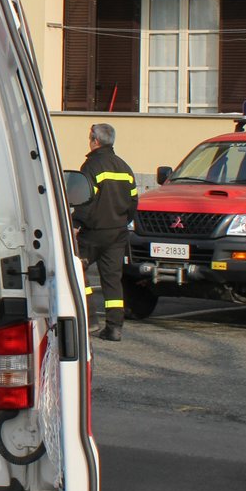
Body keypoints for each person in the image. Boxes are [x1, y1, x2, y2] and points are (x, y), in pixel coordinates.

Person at [74, 123, 137, 342]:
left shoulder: (92, 166)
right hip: (118, 232)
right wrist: (122, 221)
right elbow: (133, 201)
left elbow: (84, 198)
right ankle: (114, 328)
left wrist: (76, 223)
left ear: (95, 140)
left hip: (93, 232)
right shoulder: (124, 167)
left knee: (76, 269)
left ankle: (90, 320)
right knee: (112, 280)